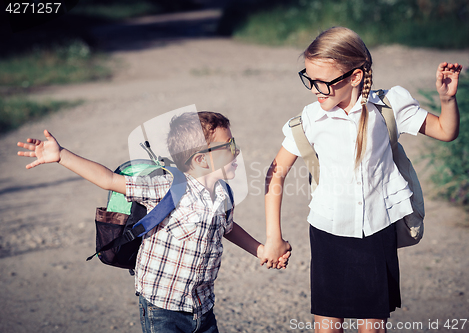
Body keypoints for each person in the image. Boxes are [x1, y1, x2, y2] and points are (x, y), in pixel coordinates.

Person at [261, 26, 462, 333]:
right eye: (309, 80)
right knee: (327, 326)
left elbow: (446, 131)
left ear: (354, 77)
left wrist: (447, 100)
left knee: (372, 327)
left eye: (323, 83)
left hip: (377, 230)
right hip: (328, 231)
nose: (315, 89)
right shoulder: (311, 119)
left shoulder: (388, 107)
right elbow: (276, 172)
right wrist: (274, 236)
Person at [17, 111, 290, 333]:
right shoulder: (167, 187)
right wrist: (61, 155)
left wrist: (261, 249)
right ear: (200, 159)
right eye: (229, 146)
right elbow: (109, 179)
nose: (237, 150)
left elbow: (228, 228)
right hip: (162, 308)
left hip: (202, 306)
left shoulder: (222, 193)